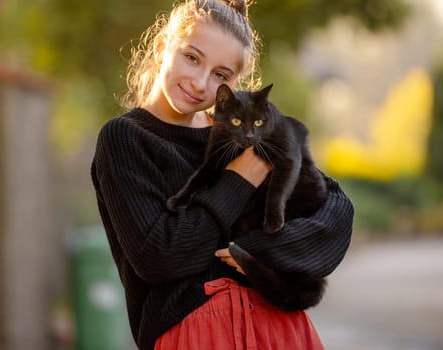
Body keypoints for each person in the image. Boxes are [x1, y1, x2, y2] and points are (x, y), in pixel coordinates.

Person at [90, 0, 354, 349]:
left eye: (220, 75)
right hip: (195, 334)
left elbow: (337, 211)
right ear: (161, 47)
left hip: (281, 330)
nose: (200, 83)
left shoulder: (242, 132)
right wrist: (239, 180)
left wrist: (258, 249)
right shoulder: (125, 139)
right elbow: (159, 256)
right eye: (192, 57)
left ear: (234, 84)